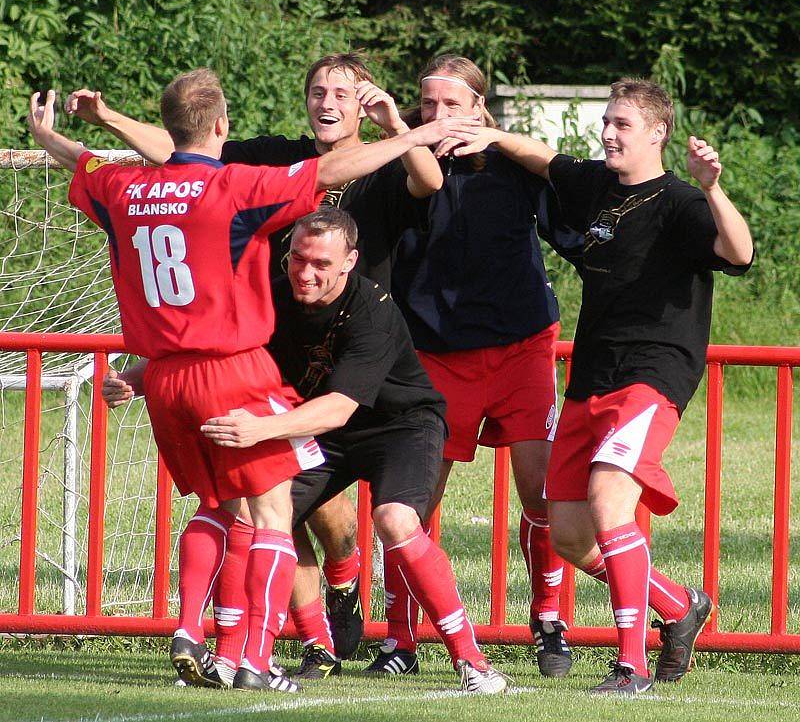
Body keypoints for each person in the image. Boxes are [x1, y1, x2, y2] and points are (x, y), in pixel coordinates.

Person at [28, 69, 477, 693]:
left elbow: (86, 164)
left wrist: (47, 135)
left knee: (222, 509)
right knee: (270, 515)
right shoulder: (234, 188)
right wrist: (415, 134)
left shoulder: (124, 187)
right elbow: (327, 174)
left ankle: (193, 627)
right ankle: (254, 660)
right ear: (221, 127)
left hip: (164, 379)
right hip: (232, 366)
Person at [449, 78, 753, 694]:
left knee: (611, 500)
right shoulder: (599, 187)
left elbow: (739, 252)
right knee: (568, 535)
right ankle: (678, 604)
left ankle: (630, 666)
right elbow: (547, 160)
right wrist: (493, 136)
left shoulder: (680, 202)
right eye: (607, 121)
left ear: (657, 134)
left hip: (654, 374)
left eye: (622, 125)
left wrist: (712, 187)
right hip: (590, 378)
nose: (608, 133)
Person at [199, 207, 509, 695]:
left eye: (321, 263)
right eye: (298, 258)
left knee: (395, 521)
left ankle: (474, 663)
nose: (306, 272)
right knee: (255, 511)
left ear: (350, 262)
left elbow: (339, 408)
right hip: (319, 428)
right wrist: (136, 378)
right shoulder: (273, 295)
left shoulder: (374, 308)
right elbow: (215, 345)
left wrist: (260, 429)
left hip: (399, 425)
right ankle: (242, 654)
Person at [384, 54, 583, 679]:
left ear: (478, 108)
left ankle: (549, 621)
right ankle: (400, 639)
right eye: (428, 105)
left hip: (522, 344)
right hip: (435, 355)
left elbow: (579, 229)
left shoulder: (513, 164)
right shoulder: (399, 164)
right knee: (412, 502)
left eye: (451, 105)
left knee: (541, 486)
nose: (437, 117)